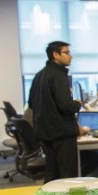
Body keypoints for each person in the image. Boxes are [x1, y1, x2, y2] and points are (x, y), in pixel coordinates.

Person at [28, 40, 83, 183]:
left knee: (52, 173)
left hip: (46, 133)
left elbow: (31, 104)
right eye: (66, 52)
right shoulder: (59, 75)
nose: (70, 56)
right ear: (55, 55)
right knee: (67, 176)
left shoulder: (39, 75)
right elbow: (65, 106)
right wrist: (77, 104)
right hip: (62, 133)